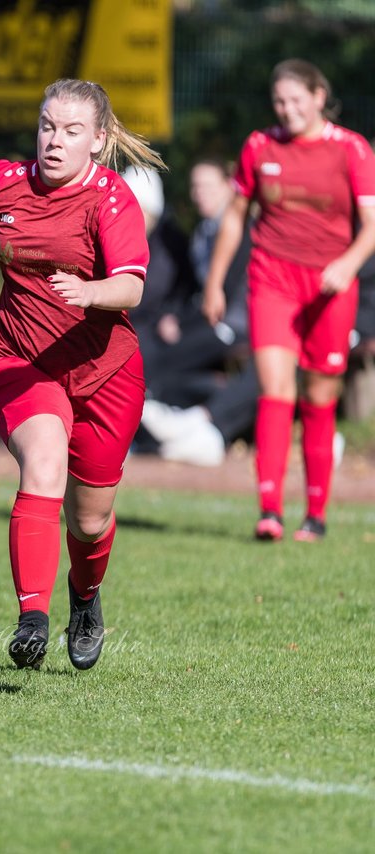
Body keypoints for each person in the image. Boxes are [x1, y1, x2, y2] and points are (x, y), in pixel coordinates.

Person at [0, 78, 164, 671]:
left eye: (72, 131)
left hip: (104, 372)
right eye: (48, 126)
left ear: (97, 140)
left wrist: (91, 290)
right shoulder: (3, 180)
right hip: (20, 358)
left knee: (90, 520)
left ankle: (86, 597)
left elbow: (133, 287)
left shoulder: (111, 199)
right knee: (42, 462)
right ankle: (32, 618)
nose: (55, 140)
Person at [201, 59, 375, 543]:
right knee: (276, 389)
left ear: (320, 96)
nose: (288, 109)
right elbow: (236, 217)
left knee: (320, 396)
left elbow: (372, 225)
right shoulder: (260, 145)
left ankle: (315, 514)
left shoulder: (352, 149)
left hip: (331, 288)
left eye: (297, 99)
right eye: (280, 100)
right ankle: (270, 510)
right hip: (272, 280)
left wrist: (347, 263)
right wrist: (214, 282)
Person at [138, 158, 259, 467]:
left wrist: (183, 320)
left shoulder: (237, 229)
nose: (198, 193)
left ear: (227, 187)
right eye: (195, 186)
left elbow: (224, 294)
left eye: (207, 185)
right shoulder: (204, 231)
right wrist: (175, 316)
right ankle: (159, 418)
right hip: (209, 319)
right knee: (152, 347)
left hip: (234, 323)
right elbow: (193, 287)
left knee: (161, 352)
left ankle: (176, 421)